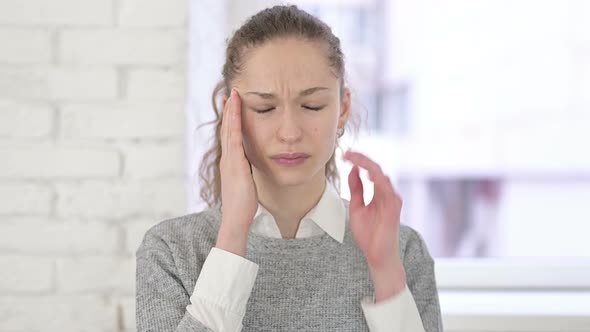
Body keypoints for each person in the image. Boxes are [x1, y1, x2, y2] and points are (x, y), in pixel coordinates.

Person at [136, 5, 443, 332]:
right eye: (264, 108)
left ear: (343, 109)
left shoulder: (402, 249)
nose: (290, 132)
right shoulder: (170, 251)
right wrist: (232, 234)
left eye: (312, 106)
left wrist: (385, 273)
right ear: (231, 114)